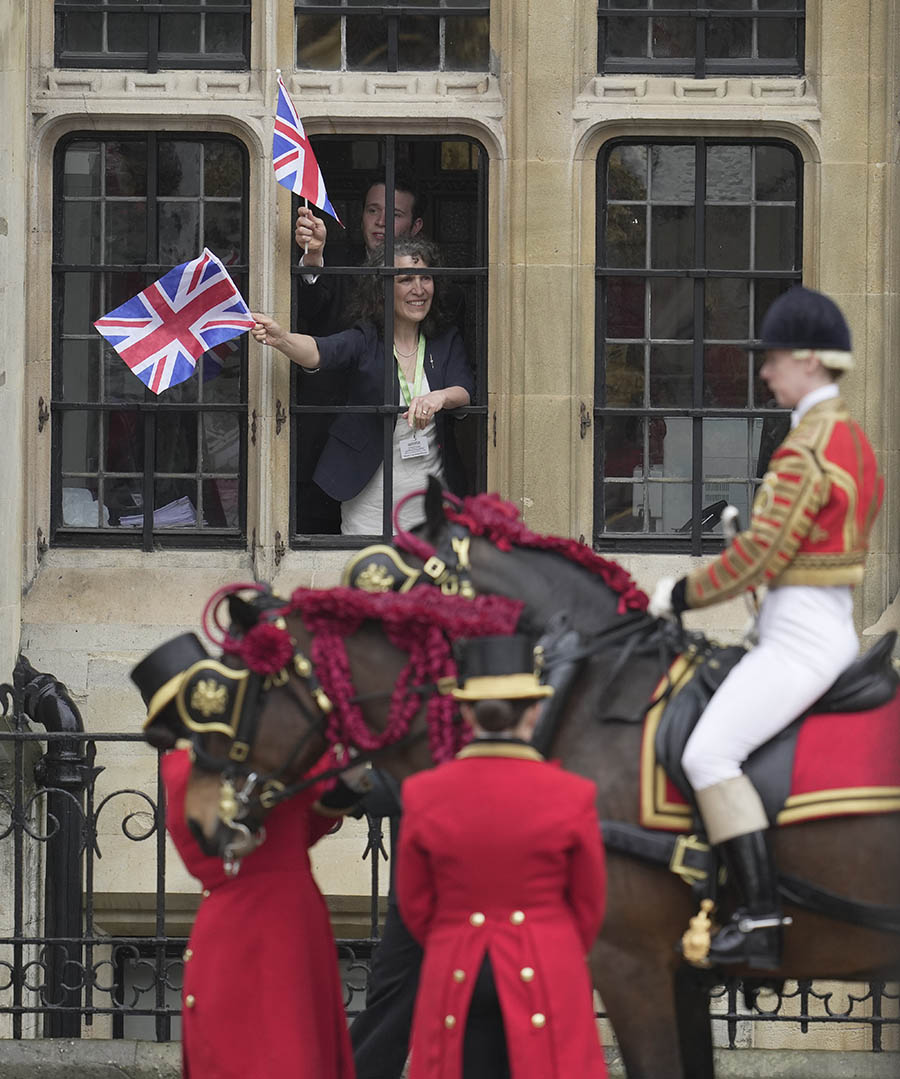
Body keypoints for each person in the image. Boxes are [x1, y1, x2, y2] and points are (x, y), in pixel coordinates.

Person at [649, 285, 884, 969]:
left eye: (775, 358)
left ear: (809, 360)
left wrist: (679, 593)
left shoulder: (804, 449)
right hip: (818, 621)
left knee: (706, 754)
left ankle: (759, 917)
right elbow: (805, 548)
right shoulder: (853, 440)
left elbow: (761, 556)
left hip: (799, 643)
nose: (764, 371)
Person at [395, 635, 608, 1079]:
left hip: (454, 960)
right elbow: (589, 906)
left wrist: (453, 929)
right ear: (532, 711)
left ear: (467, 713)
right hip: (548, 960)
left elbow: (415, 904)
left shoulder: (422, 793)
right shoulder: (573, 794)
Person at [252, 235, 473, 534]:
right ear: (383, 289)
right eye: (406, 279)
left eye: (426, 278)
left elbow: (464, 390)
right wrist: (283, 339)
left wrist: (439, 397)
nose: (419, 289)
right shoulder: (366, 338)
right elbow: (320, 351)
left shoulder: (445, 339)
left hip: (433, 498)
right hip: (370, 502)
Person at [159, 747, 356, 1079]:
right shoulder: (194, 764)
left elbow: (312, 817)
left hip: (291, 919)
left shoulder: (281, 745)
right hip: (260, 923)